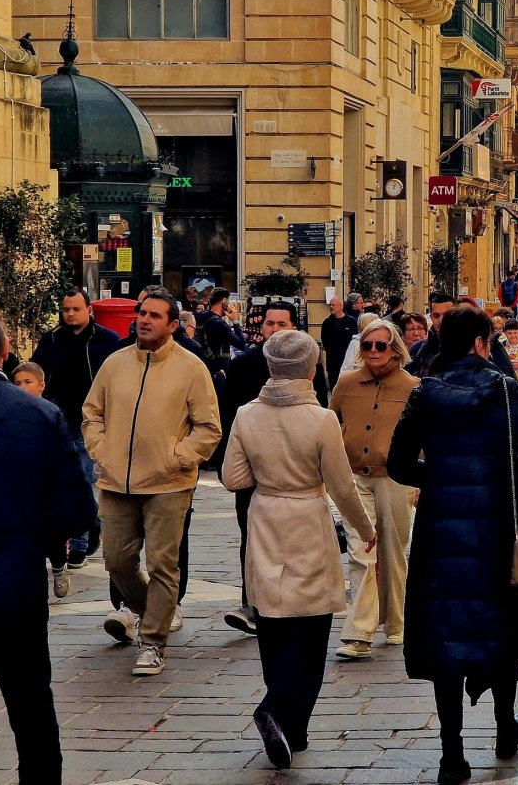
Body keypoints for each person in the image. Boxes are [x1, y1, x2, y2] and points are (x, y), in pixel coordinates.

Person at [389, 305, 518, 785]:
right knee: (501, 621)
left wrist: (441, 478)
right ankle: (506, 729)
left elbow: (399, 464)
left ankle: (452, 756)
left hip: (442, 529)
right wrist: (498, 475)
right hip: (500, 524)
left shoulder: (426, 393)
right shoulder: (504, 391)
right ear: (483, 343)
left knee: (446, 632)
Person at [221, 331, 376, 770]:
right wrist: (365, 529)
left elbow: (233, 478)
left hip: (266, 518)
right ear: (310, 369)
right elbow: (343, 487)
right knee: (311, 631)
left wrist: (265, 472)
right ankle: (283, 714)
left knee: (272, 624)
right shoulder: (322, 419)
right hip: (307, 516)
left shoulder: (247, 415)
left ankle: (287, 722)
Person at [0, 307, 97, 785]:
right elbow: (75, 510)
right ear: (5, 350)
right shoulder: (38, 413)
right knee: (31, 704)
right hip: (13, 579)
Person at [82, 288, 221, 677]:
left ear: (173, 325)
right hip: (116, 481)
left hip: (168, 483)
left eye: (156, 315)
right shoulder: (115, 363)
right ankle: (152, 613)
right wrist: (101, 450)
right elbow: (92, 414)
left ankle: (152, 642)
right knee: (117, 560)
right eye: (143, 313)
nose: (145, 319)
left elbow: (209, 428)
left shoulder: (191, 367)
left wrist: (178, 457)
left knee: (163, 564)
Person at [218, 300, 328, 636]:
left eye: (282, 324)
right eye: (269, 324)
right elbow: (228, 420)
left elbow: (319, 410)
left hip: (296, 473)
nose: (275, 330)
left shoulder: (310, 366)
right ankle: (252, 604)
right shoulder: (243, 366)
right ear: (260, 328)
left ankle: (291, 601)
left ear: (294, 327)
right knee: (251, 539)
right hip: (254, 472)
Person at [330, 320, 419, 661]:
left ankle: (395, 622)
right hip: (355, 477)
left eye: (381, 346)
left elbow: (423, 436)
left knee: (393, 553)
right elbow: (330, 420)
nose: (373, 352)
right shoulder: (347, 383)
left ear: (395, 348)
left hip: (396, 478)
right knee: (361, 551)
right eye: (368, 345)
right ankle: (359, 632)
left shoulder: (413, 386)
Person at [30, 286, 120, 566]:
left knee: (83, 478)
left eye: (76, 309)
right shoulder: (51, 340)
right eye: (66, 309)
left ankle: (79, 544)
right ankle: (91, 523)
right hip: (58, 419)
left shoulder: (107, 340)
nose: (70, 314)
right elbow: (37, 374)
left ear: (88, 310)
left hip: (93, 420)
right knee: (64, 483)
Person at [10, 362, 72, 596]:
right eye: (17, 383)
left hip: (48, 485)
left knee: (53, 535)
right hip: (21, 486)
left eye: (28, 382)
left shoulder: (50, 412)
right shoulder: (9, 411)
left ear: (41, 385)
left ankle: (58, 567)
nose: (23, 387)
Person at [202, 287, 248, 374]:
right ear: (224, 301)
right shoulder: (219, 323)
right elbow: (241, 345)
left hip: (206, 365)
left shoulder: (203, 318)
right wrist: (235, 321)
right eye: (228, 301)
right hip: (219, 368)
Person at [321, 293, 359, 387]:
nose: (331, 307)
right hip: (332, 362)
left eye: (333, 305)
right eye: (330, 305)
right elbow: (324, 340)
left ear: (341, 306)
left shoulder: (352, 322)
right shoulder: (326, 323)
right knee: (334, 386)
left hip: (347, 361)